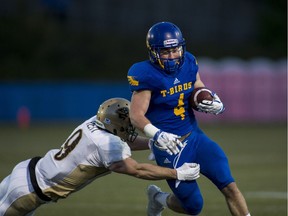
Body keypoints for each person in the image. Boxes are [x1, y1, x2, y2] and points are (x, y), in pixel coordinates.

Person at [127, 21, 251, 216]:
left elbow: (197, 85)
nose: (171, 56)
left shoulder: (189, 61)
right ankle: (158, 198)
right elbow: (136, 116)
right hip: (171, 147)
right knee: (193, 206)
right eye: (165, 52)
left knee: (230, 186)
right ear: (153, 52)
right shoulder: (145, 73)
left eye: (175, 50)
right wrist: (157, 135)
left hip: (195, 137)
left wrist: (207, 97)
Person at [0, 98, 201, 216]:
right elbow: (137, 169)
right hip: (29, 192)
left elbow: (125, 138)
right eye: (128, 123)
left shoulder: (96, 122)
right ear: (115, 123)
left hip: (27, 169)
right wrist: (176, 173)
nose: (131, 127)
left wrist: (151, 143)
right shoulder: (108, 143)